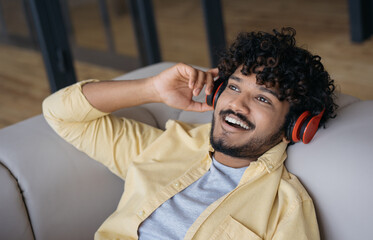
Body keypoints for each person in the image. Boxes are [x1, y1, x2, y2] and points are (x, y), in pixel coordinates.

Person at [43, 27, 336, 239]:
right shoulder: (166, 146)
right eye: (233, 87)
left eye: (262, 99)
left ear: (293, 127)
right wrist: (152, 89)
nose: (236, 105)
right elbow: (61, 114)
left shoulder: (286, 207)